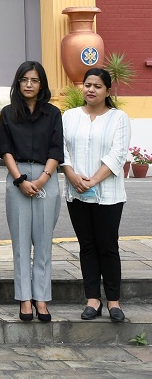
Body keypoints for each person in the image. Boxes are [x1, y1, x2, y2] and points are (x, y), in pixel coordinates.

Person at [61, 68, 131, 323]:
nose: (91, 90)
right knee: (87, 245)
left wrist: (93, 180)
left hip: (108, 194)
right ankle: (92, 299)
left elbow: (118, 153)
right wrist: (71, 175)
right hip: (76, 192)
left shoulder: (118, 118)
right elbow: (62, 149)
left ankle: (113, 301)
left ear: (107, 91)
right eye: (88, 85)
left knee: (108, 246)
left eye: (97, 86)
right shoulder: (69, 116)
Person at [0, 61, 63, 322]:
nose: (28, 84)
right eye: (24, 80)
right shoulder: (8, 113)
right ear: (18, 83)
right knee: (21, 243)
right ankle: (25, 298)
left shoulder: (53, 113)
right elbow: (5, 149)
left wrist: (43, 179)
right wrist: (20, 180)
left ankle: (42, 298)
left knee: (44, 242)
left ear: (41, 84)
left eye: (34, 80)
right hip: (18, 177)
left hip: (47, 176)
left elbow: (56, 149)